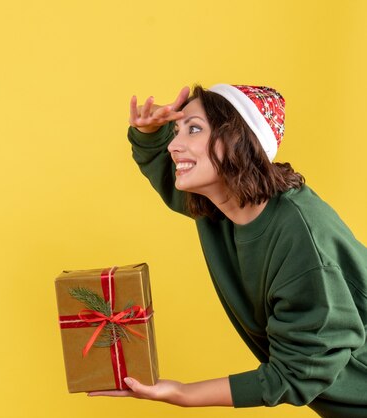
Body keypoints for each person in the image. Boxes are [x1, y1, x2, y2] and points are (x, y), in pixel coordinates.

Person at [88, 84, 367, 418]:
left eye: (194, 129)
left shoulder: (298, 237)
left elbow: (301, 372)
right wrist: (148, 133)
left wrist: (181, 393)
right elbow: (167, 171)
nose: (175, 145)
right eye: (176, 131)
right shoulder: (218, 206)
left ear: (238, 140)